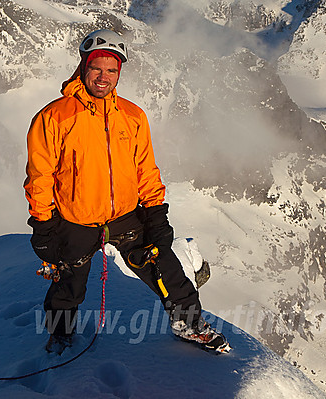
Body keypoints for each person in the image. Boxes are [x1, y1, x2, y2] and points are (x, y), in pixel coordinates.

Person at [24, 28, 228, 353]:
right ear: (83, 67)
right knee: (68, 284)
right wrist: (44, 225)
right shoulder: (54, 117)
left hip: (126, 217)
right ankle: (60, 333)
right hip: (76, 220)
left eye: (112, 70)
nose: (103, 77)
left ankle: (190, 325)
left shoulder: (133, 117)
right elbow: (40, 176)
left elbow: (145, 168)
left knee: (166, 268)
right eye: (97, 67)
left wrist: (157, 213)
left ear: (119, 73)